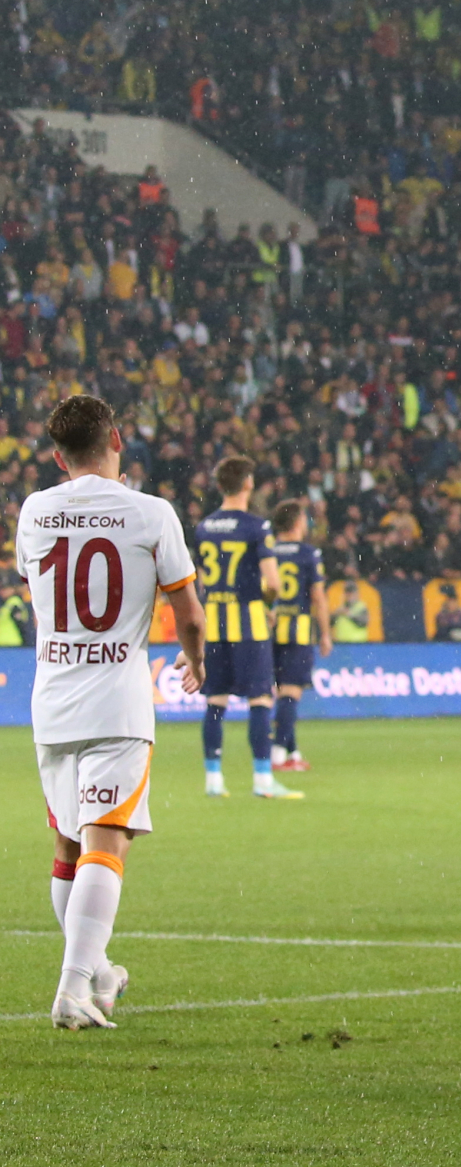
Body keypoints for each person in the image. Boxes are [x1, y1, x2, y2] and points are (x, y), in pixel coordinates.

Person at [16, 394, 205, 1028]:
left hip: (52, 702)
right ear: (118, 439)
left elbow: (40, 590)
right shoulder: (152, 514)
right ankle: (72, 988)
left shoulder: (36, 510)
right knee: (107, 840)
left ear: (57, 455)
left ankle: (97, 973)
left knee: (69, 843)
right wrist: (196, 660)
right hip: (117, 702)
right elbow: (189, 610)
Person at [196, 456, 298, 798]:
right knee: (259, 700)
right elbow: (273, 583)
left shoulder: (204, 527)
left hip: (214, 625)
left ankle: (213, 779)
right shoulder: (257, 527)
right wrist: (266, 605)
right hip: (249, 625)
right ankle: (263, 780)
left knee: (215, 701)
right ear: (249, 483)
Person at [268, 500, 331, 772]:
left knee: (282, 694)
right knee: (291, 694)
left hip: (268, 631)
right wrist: (326, 633)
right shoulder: (308, 554)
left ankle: (291, 752)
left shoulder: (267, 551)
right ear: (296, 522)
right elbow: (318, 597)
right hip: (297, 632)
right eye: (304, 519)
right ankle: (278, 755)